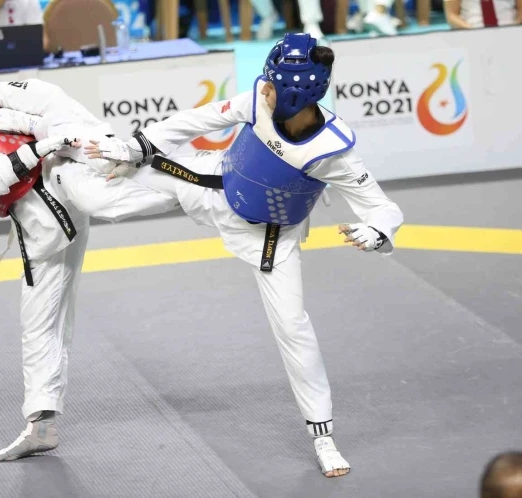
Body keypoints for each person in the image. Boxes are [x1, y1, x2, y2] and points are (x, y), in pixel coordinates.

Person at [85, 33, 404, 478]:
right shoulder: (259, 101)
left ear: (297, 94)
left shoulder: (333, 151)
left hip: (271, 238)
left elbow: (385, 209)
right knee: (112, 169)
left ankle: (323, 435)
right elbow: (193, 121)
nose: (263, 87)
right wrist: (136, 147)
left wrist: (376, 231)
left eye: (273, 83)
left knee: (293, 328)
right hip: (212, 185)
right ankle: (56, 152)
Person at [0, 29, 177, 462]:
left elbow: (49, 98)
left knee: (107, 198)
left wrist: (56, 132)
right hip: (39, 224)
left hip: (66, 174)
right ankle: (42, 424)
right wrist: (38, 145)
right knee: (40, 322)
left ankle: (212, 189)